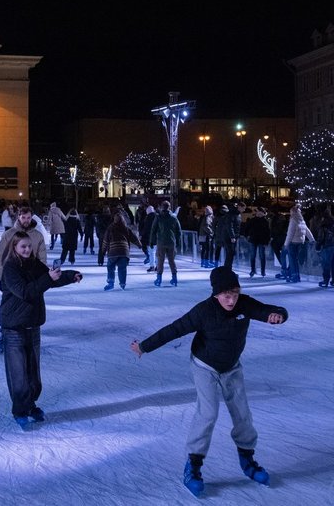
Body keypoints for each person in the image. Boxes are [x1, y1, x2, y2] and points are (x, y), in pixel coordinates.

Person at [129, 266, 288, 497]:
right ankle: (193, 466)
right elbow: (174, 330)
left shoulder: (244, 304)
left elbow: (270, 310)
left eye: (234, 293)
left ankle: (248, 461)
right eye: (226, 295)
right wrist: (143, 347)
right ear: (215, 294)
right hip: (205, 366)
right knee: (208, 413)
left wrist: (279, 315)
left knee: (243, 414)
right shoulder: (204, 311)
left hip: (231, 367)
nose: (231, 299)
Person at [0, 230, 83, 429]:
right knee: (18, 374)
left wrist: (71, 276)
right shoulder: (10, 268)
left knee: (34, 375)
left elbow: (50, 278)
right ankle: (20, 410)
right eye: (23, 247)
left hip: (32, 325)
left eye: (29, 246)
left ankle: (30, 405)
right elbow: (25, 292)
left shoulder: (34, 263)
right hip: (14, 328)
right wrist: (48, 278)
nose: (27, 249)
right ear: (14, 248)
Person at [101, 210, 142, 291]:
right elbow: (134, 238)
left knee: (110, 267)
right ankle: (122, 284)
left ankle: (110, 283)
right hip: (124, 251)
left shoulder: (110, 228)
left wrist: (103, 250)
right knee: (122, 268)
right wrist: (139, 245)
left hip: (113, 251)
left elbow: (105, 240)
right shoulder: (126, 228)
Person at [0, 204, 47, 268]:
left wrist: (42, 274)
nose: (26, 220)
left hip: (32, 273)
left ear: (31, 218)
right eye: (23, 217)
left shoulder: (38, 236)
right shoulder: (8, 234)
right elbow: (0, 256)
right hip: (13, 273)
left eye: (28, 218)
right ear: (18, 217)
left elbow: (42, 258)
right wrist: (1, 276)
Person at [149, 200, 182, 287]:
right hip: (171, 242)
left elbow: (153, 230)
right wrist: (177, 241)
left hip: (161, 242)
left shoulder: (158, 217)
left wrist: (151, 241)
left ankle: (159, 279)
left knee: (160, 261)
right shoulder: (174, 218)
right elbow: (178, 231)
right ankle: (174, 278)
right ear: (169, 207)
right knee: (172, 261)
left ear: (162, 207)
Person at [283, 205, 313, 283]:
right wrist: (312, 240)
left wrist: (286, 244)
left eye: (290, 212)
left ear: (293, 212)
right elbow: (307, 231)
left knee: (292, 260)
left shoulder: (293, 220)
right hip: (300, 242)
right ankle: (296, 276)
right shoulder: (301, 220)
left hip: (293, 243)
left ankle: (294, 276)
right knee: (295, 260)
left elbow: (290, 233)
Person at [316, 208, 334, 288]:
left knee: (326, 264)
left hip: (328, 246)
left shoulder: (323, 226)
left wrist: (317, 247)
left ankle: (325, 281)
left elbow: (320, 238)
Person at [244, 207, 272, 278]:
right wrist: (247, 236)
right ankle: (253, 270)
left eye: (261, 212)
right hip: (253, 240)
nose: (259, 213)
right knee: (253, 255)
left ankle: (263, 271)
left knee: (262, 256)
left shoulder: (265, 221)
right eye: (258, 212)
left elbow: (268, 232)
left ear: (263, 213)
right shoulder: (252, 220)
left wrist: (267, 241)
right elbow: (246, 228)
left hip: (262, 241)